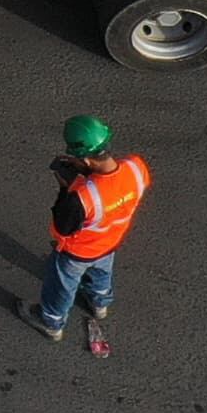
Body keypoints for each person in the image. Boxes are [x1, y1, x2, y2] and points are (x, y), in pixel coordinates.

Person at [36, 114, 151, 356]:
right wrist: (88, 174)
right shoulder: (136, 167)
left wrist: (65, 189)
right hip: (110, 243)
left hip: (78, 253)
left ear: (86, 159)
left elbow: (63, 227)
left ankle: (52, 322)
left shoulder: (82, 197)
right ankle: (100, 304)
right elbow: (114, 189)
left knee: (62, 287)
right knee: (101, 275)